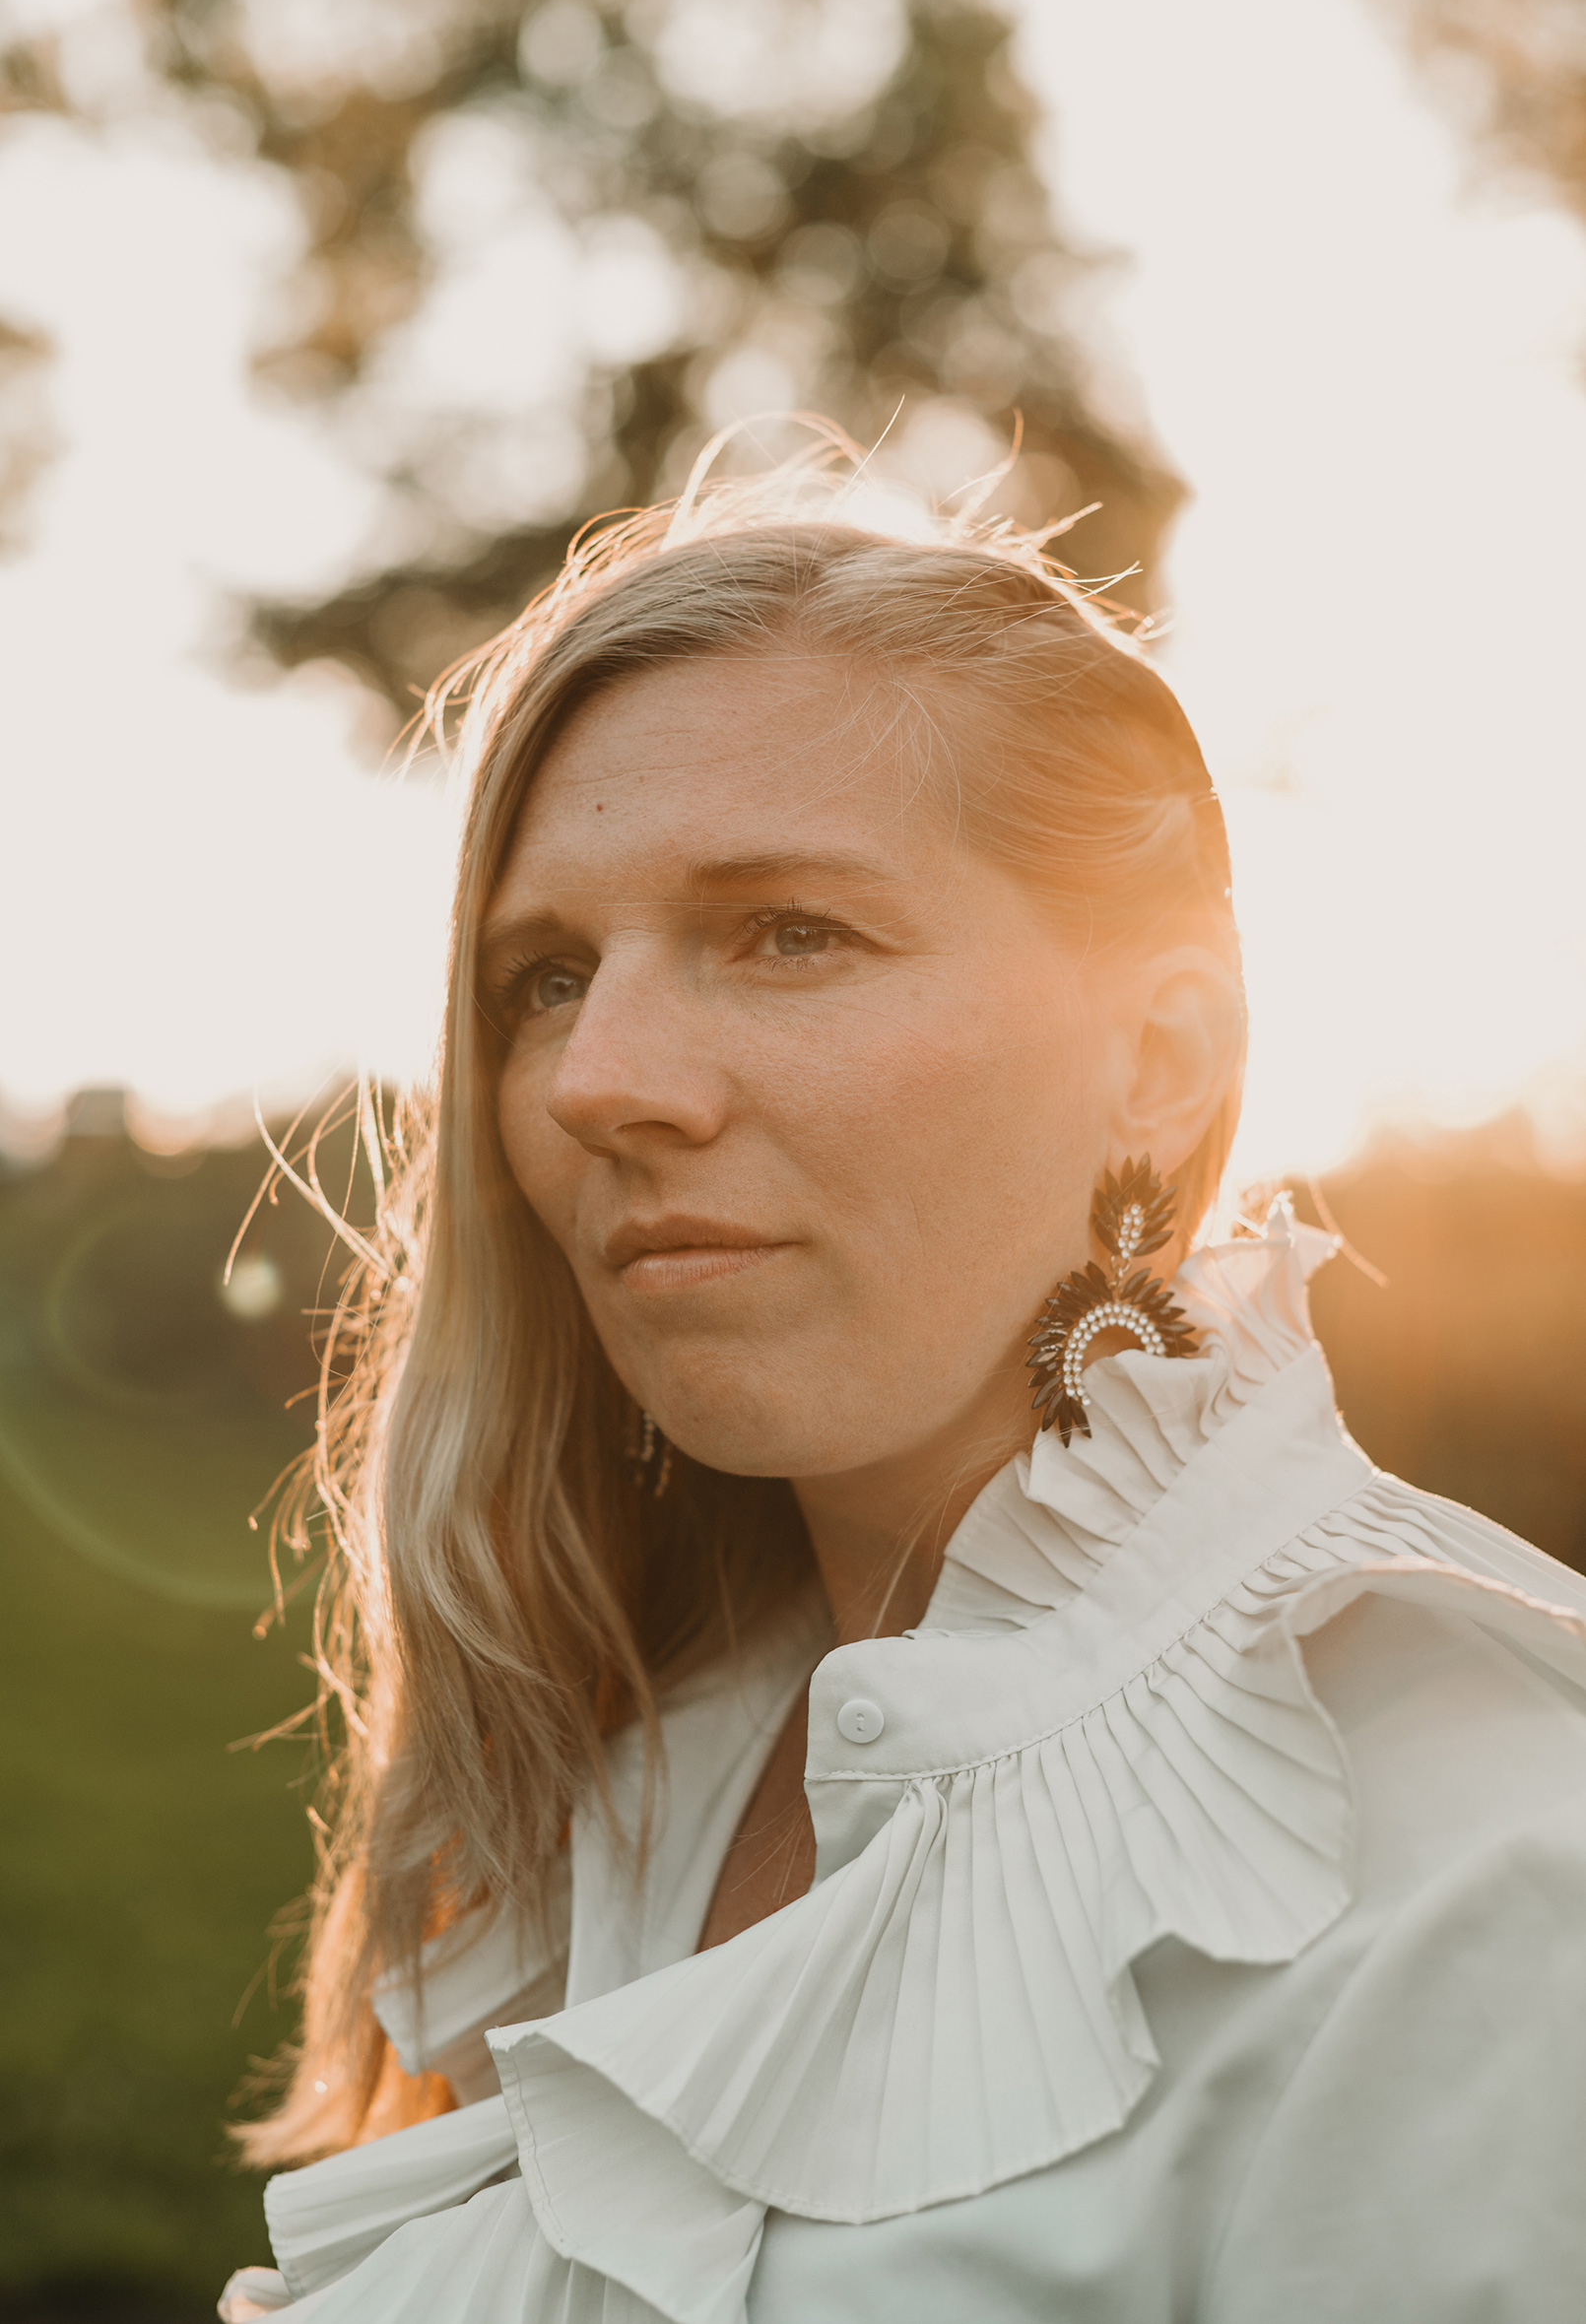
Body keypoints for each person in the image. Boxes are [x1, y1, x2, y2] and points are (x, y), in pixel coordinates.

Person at [221, 469, 1586, 2324]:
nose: (597, 1080)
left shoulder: (1483, 1868)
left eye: (790, 932)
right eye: (546, 977)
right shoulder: (621, 1769)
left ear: (1161, 1058)